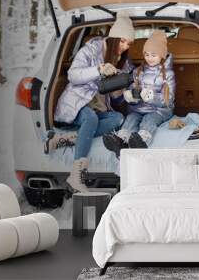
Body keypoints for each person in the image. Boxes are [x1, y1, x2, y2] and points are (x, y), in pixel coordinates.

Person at [49, 11, 135, 192]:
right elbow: (73, 75)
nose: (125, 46)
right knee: (91, 119)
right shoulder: (91, 50)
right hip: (77, 103)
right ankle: (76, 175)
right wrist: (99, 69)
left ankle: (68, 138)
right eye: (122, 41)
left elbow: (114, 96)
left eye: (129, 43)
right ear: (113, 38)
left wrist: (122, 89)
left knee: (118, 119)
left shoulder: (122, 61)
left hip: (99, 105)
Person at [103, 30, 176, 157]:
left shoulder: (168, 74)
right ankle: (121, 141)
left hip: (159, 110)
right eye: (146, 55)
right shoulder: (138, 71)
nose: (149, 58)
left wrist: (152, 97)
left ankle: (141, 141)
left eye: (154, 55)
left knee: (148, 120)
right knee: (131, 119)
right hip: (138, 108)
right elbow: (133, 88)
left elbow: (168, 99)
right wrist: (130, 96)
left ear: (162, 55)